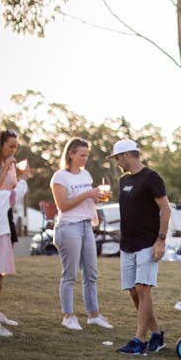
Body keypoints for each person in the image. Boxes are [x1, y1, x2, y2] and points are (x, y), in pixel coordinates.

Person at [110, 139, 170, 355]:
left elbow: (166, 209)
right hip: (127, 244)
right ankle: (156, 334)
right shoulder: (123, 180)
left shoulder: (151, 177)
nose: (117, 162)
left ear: (127, 155)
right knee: (134, 292)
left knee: (143, 289)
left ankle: (139, 340)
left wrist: (160, 240)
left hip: (148, 243)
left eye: (117, 158)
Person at [50, 138, 113, 331]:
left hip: (87, 226)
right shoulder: (60, 177)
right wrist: (87, 194)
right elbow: (63, 206)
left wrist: (97, 198)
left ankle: (94, 315)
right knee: (70, 275)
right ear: (71, 154)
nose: (85, 158)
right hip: (69, 227)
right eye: (82, 155)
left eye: (87, 155)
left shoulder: (86, 175)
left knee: (91, 274)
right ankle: (68, 316)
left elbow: (89, 200)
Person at [0, 129, 30, 333]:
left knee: (0, 271)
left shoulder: (10, 166)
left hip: (5, 216)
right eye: (10, 146)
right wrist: (7, 166)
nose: (13, 150)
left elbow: (13, 190)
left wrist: (21, 177)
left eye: (16, 146)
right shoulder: (5, 165)